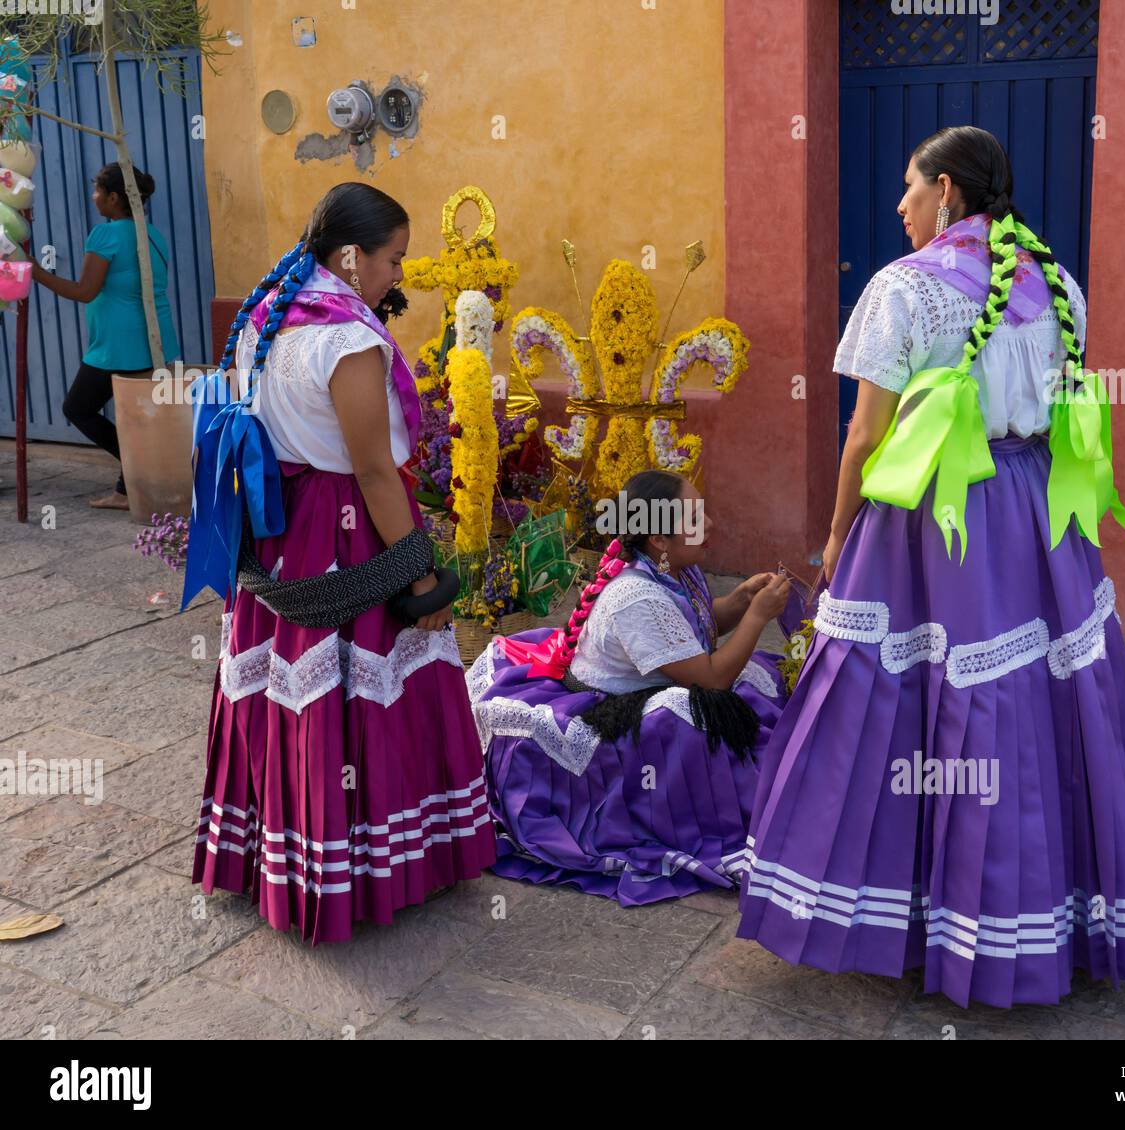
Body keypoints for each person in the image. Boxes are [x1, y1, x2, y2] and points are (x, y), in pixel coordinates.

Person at [736, 127, 1125, 1008]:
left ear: (946, 192)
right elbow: (1061, 418)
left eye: (908, 187)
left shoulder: (904, 290)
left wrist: (833, 538)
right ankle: (1031, 912)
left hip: (929, 517)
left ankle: (899, 914)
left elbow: (865, 435)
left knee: (894, 700)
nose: (898, 205)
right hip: (1031, 511)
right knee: (1033, 697)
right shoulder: (1058, 286)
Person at [184, 182, 495, 943]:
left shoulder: (268, 315)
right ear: (352, 257)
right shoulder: (345, 339)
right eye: (394, 259)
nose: (401, 275)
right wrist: (422, 578)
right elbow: (375, 472)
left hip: (279, 527)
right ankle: (366, 868)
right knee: (367, 685)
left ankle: (282, 860)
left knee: (288, 686)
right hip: (342, 528)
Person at [468, 469, 792, 904]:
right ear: (658, 539)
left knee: (755, 680)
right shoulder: (636, 598)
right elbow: (712, 681)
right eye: (695, 516)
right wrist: (757, 619)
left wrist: (740, 602)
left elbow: (693, 622)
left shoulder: (672, 567)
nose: (710, 523)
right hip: (614, 719)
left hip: (661, 679)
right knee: (703, 720)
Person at [30, 164, 181, 509]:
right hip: (155, 338)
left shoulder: (106, 235)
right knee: (138, 417)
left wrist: (36, 272)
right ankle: (128, 489)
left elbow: (84, 291)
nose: (93, 196)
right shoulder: (151, 234)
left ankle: (136, 473)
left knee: (78, 408)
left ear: (114, 197)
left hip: (118, 344)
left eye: (97, 190)